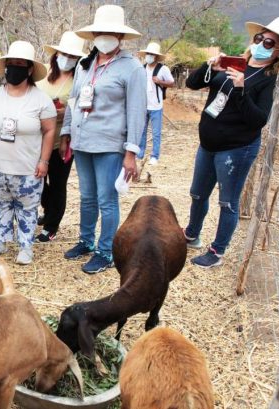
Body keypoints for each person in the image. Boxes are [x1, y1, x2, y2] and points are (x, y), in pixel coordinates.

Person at [183, 17, 279, 268]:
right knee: (198, 193)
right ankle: (192, 234)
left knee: (227, 201)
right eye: (259, 39)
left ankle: (217, 251)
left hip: (236, 149)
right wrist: (209, 67)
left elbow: (258, 120)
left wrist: (241, 88)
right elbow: (191, 84)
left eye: (269, 42)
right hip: (208, 144)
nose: (261, 44)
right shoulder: (235, 63)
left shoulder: (269, 79)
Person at [60, 5, 145, 274]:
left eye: (110, 32)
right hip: (82, 142)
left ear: (120, 37)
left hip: (110, 144)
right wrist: (66, 132)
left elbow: (136, 111)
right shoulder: (86, 64)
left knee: (106, 199)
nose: (104, 36)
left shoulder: (131, 68)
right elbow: (73, 101)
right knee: (86, 196)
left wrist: (131, 152)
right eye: (100, 32)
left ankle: (105, 250)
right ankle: (86, 240)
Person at [0, 41, 57, 265]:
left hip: (26, 167)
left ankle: (26, 246)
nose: (14, 69)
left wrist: (44, 160)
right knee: (1, 204)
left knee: (27, 207)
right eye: (11, 64)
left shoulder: (41, 99)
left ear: (29, 69)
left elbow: (49, 131)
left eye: (20, 64)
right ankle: (1, 240)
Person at [36, 31, 86, 243]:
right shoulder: (42, 74)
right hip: (36, 138)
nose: (67, 59)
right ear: (56, 54)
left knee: (57, 182)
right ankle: (48, 210)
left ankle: (52, 225)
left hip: (61, 139)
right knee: (37, 180)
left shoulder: (79, 79)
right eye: (64, 54)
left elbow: (80, 108)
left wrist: (63, 112)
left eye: (73, 56)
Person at [136, 42, 175, 166]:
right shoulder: (142, 68)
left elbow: (172, 83)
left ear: (156, 56)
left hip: (156, 106)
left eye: (152, 54)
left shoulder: (163, 69)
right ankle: (140, 153)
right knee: (142, 131)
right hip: (143, 104)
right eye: (148, 53)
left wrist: (160, 81)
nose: (149, 56)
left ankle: (155, 156)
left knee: (156, 132)